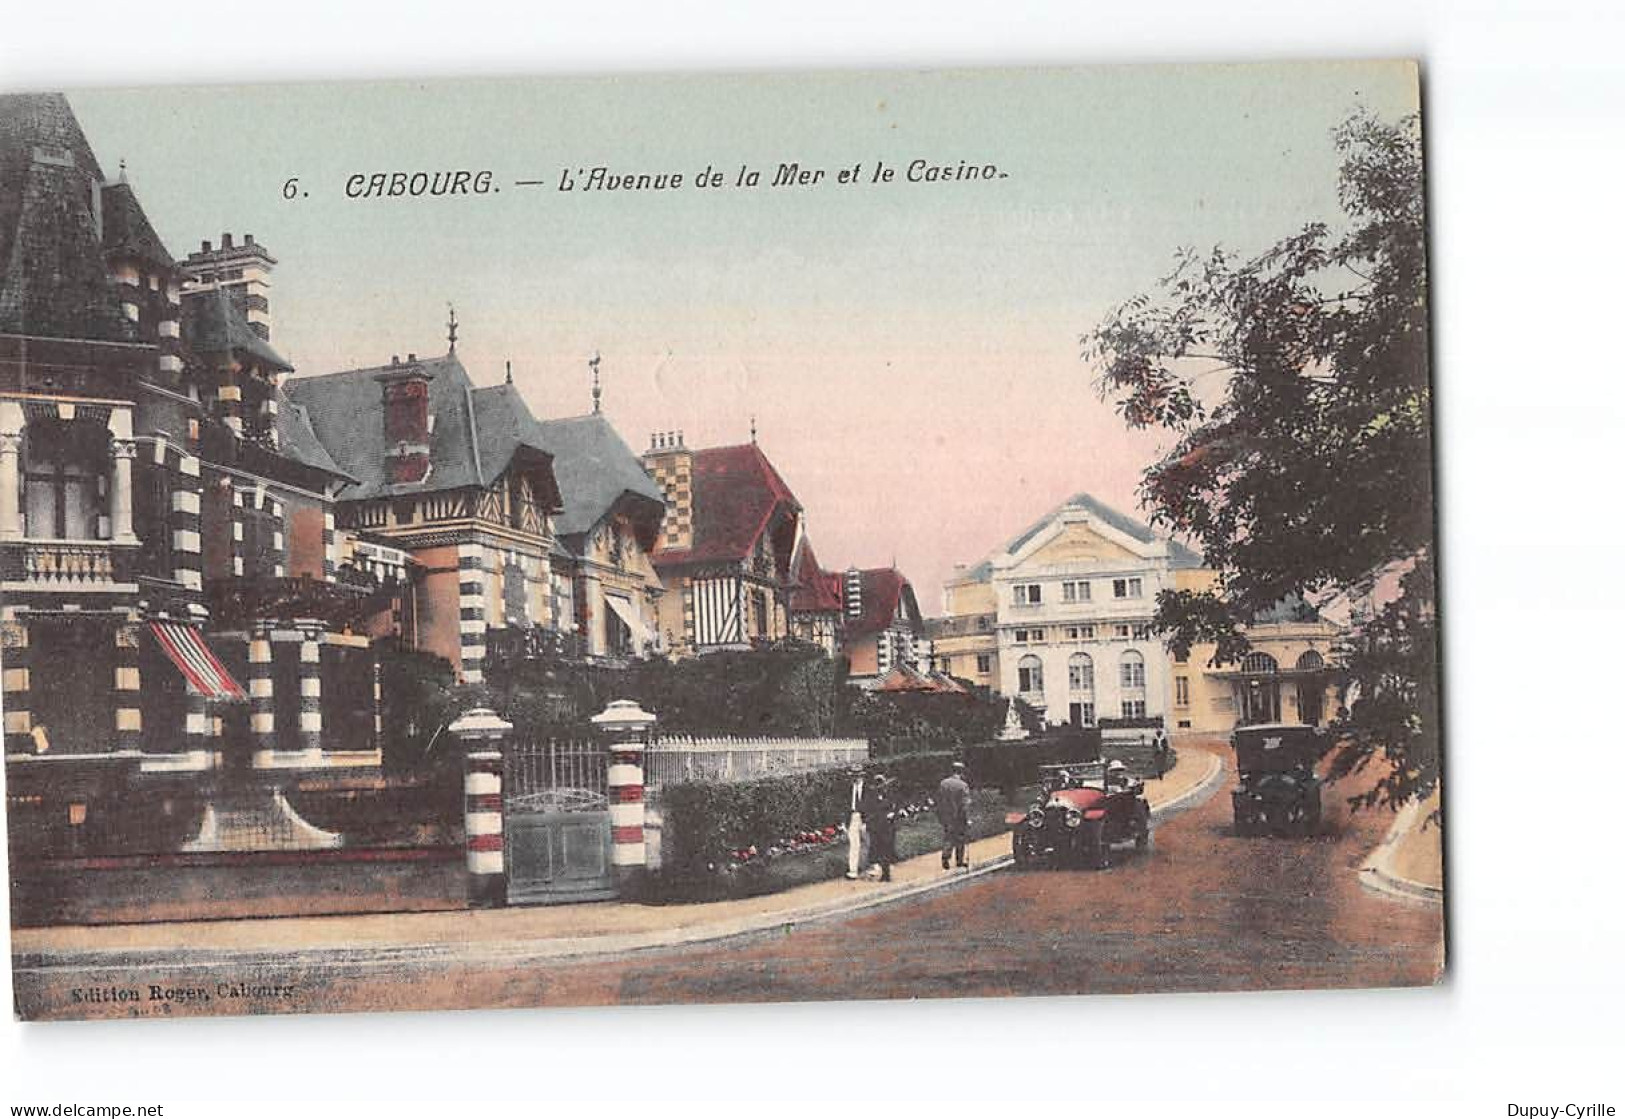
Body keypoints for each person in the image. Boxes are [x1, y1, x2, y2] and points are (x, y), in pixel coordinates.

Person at [862, 773, 899, 882]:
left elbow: (895, 807)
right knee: (878, 850)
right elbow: (869, 811)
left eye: (881, 783)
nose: (880, 786)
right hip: (877, 826)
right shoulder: (872, 796)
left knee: (886, 849)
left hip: (886, 826)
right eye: (878, 784)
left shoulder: (889, 795)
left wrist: (892, 814)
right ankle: (882, 872)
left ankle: (886, 874)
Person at [936, 761, 972, 870]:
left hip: (946, 815)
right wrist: (967, 819)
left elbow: (939, 800)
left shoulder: (943, 783)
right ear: (961, 772)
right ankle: (959, 861)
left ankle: (945, 857)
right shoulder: (963, 785)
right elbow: (964, 804)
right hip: (959, 816)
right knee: (960, 838)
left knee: (948, 837)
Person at [845, 764, 869, 880]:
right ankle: (853, 870)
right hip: (853, 816)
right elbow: (844, 805)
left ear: (862, 776)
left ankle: (873, 866)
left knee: (869, 842)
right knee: (854, 843)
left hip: (866, 818)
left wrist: (867, 821)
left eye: (858, 775)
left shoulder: (869, 788)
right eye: (853, 775)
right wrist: (843, 821)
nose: (855, 778)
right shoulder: (848, 788)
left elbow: (872, 806)